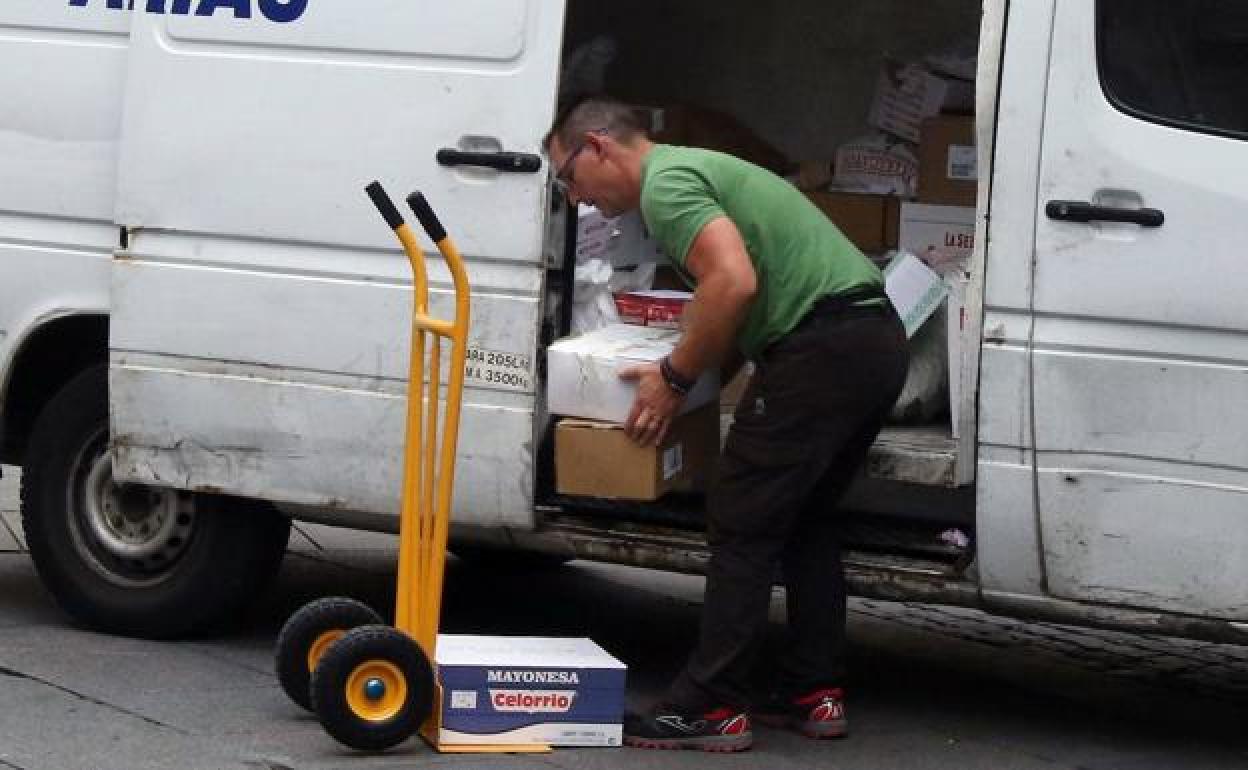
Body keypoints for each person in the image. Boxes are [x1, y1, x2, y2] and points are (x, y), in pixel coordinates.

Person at [544, 98, 909, 753]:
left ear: (597, 146)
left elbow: (731, 283)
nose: (575, 199)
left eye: (568, 178)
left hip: (822, 347)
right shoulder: (693, 169)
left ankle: (710, 705)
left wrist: (676, 378)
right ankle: (813, 690)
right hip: (871, 342)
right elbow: (736, 311)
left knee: (740, 515)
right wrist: (696, 380)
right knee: (808, 518)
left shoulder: (668, 186)